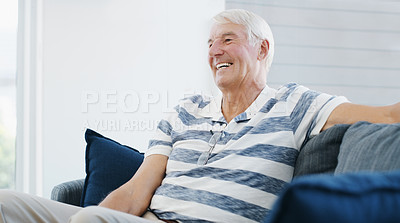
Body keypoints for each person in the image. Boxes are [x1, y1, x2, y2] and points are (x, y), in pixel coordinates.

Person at [1, 9, 399, 223]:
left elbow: (383, 116)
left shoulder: (296, 103)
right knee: (7, 204)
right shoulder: (184, 112)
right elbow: (137, 190)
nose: (214, 51)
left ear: (262, 50)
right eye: (210, 43)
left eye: (228, 40)